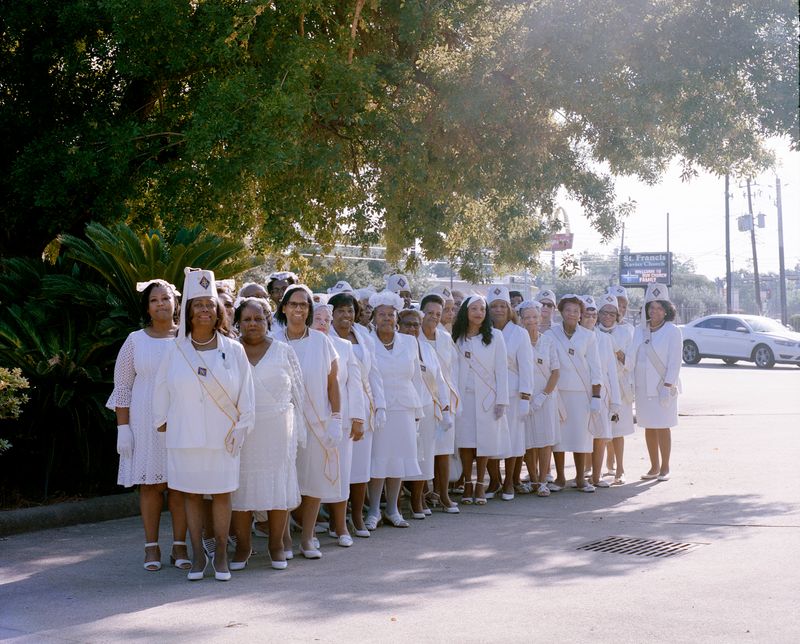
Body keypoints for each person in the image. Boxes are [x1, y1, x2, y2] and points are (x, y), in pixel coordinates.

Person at [152, 268, 255, 581]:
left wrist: (242, 428)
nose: (205, 310)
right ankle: (198, 555)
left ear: (219, 310)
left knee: (223, 494)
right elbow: (161, 391)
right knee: (191, 495)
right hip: (185, 436)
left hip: (223, 437)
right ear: (188, 311)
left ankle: (220, 554)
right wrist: (162, 422)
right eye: (198, 304)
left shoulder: (234, 350)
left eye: (210, 304)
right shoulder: (174, 351)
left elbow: (247, 396)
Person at [108, 279, 190, 572]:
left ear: (176, 302)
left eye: (165, 299)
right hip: (144, 422)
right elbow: (123, 387)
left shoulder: (187, 338)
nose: (160, 304)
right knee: (151, 485)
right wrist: (123, 428)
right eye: (154, 300)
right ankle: (151, 546)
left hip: (181, 419)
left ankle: (180, 545)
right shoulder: (135, 340)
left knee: (180, 486)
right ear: (147, 306)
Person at [229, 297, 304, 571]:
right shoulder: (230, 350)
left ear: (268, 321)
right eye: (246, 319)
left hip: (276, 428)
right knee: (241, 489)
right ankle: (243, 546)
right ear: (238, 323)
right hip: (242, 430)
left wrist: (301, 433)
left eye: (258, 319)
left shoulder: (284, 351)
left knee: (276, 487)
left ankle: (275, 545)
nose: (252, 324)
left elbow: (299, 393)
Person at [273, 284, 342, 559]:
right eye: (294, 304)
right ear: (284, 307)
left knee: (312, 481)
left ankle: (308, 537)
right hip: (282, 423)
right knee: (285, 480)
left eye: (304, 305)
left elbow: (332, 382)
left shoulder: (322, 341)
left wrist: (337, 418)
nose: (299, 309)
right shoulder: (273, 339)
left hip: (317, 423)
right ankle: (285, 538)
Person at [328, 292, 388, 537]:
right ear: (331, 313)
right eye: (341, 310)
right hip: (336, 407)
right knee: (338, 467)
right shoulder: (324, 336)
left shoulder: (364, 336)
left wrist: (380, 405)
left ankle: (356, 517)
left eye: (350, 310)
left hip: (362, 407)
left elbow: (374, 373)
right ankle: (336, 521)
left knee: (360, 468)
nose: (346, 315)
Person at [366, 290, 423, 528]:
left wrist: (419, 413)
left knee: (398, 459)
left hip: (404, 407)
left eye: (391, 314)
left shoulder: (409, 342)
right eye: (382, 314)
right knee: (379, 459)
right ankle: (373, 511)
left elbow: (417, 378)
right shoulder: (367, 341)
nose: (387, 318)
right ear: (374, 318)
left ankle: (393, 509)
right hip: (379, 407)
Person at [312, 303, 366, 548]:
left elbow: (354, 385)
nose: (322, 322)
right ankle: (309, 529)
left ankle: (341, 525)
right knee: (310, 474)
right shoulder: (299, 345)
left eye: (326, 318)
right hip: (310, 421)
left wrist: (357, 418)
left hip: (340, 420)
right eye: (317, 318)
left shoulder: (344, 347)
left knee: (341, 473)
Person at [453, 295, 510, 505]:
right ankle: (467, 483)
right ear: (466, 312)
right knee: (466, 442)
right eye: (474, 309)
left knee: (485, 442)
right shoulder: (456, 337)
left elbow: (502, 371)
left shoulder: (495, 337)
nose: (479, 313)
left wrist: (502, 400)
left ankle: (480, 485)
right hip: (464, 397)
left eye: (482, 309)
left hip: (488, 397)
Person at [397, 309, 451, 519]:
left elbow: (439, 380)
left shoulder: (427, 349)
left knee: (424, 458)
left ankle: (417, 499)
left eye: (415, 325)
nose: (411, 329)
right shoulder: (393, 348)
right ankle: (397, 502)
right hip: (402, 409)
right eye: (407, 324)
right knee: (400, 458)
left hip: (427, 408)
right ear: (398, 325)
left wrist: (445, 408)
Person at [546, 294, 602, 493]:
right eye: (568, 310)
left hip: (581, 393)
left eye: (576, 311)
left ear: (581, 314)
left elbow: (596, 368)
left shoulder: (589, 336)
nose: (572, 314)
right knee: (559, 437)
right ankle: (560, 478)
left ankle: (580, 478)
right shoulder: (550, 335)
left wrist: (596, 396)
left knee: (581, 436)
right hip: (558, 392)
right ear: (561, 312)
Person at [486, 286, 533, 501]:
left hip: (513, 392)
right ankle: (494, 480)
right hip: (489, 392)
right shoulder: (482, 330)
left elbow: (526, 367)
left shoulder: (519, 332)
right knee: (491, 438)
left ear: (509, 308)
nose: (498, 310)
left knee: (513, 438)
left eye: (502, 306)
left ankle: (509, 482)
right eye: (494, 306)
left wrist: (525, 396)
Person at [632, 283, 682, 482]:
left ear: (666, 310)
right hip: (642, 386)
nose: (655, 312)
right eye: (651, 308)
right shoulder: (639, 330)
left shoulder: (672, 331)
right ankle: (653, 466)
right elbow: (632, 356)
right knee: (649, 426)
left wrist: (668, 385)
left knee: (663, 426)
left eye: (659, 308)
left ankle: (665, 467)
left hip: (663, 386)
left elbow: (675, 361)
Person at [419, 292, 461, 513]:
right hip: (424, 400)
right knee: (424, 451)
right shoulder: (413, 336)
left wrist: (452, 401)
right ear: (421, 312)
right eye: (430, 313)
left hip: (444, 402)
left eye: (438, 313)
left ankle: (443, 494)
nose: (434, 317)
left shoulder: (445, 338)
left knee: (443, 451)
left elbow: (452, 370)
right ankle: (423, 496)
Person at [517, 301, 560, 497]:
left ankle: (543, 480)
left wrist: (543, 396)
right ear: (521, 319)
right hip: (525, 396)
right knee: (528, 440)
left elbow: (556, 372)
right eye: (527, 317)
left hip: (545, 397)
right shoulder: (518, 341)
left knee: (545, 439)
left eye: (535, 317)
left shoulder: (548, 341)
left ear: (540, 318)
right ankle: (533, 479)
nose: (531, 321)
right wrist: (527, 397)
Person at [578, 295, 620, 489]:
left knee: (601, 436)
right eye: (587, 314)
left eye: (594, 315)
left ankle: (597, 475)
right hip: (578, 392)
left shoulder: (605, 339)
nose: (591, 318)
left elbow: (611, 372)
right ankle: (580, 475)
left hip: (601, 393)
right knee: (580, 435)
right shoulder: (574, 336)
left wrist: (615, 402)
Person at [598, 290, 635, 484]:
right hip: (599, 387)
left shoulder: (626, 331)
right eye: (604, 312)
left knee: (618, 430)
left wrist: (616, 350)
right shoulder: (592, 331)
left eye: (612, 313)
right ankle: (594, 469)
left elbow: (631, 361)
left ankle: (620, 469)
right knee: (598, 431)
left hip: (620, 386)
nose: (608, 316)